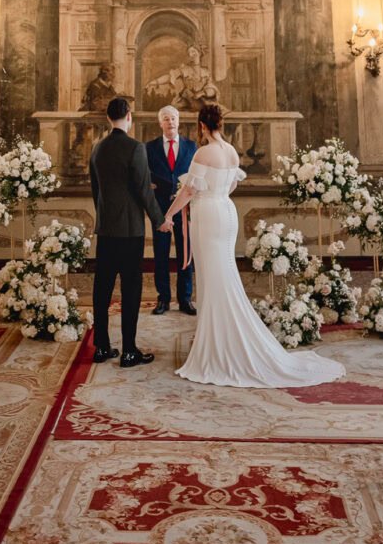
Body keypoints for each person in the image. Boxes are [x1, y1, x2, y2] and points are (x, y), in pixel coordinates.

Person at [160, 103, 346, 389]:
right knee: (222, 273)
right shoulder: (231, 151)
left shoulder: (203, 152)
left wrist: (170, 213)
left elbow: (189, 190)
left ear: (201, 125)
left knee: (212, 277)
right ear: (219, 124)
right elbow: (231, 185)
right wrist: (214, 193)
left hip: (208, 215)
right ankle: (220, 336)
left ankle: (219, 343)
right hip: (226, 211)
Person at [89, 95, 165, 369]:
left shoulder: (97, 149)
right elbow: (144, 190)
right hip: (131, 231)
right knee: (131, 291)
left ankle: (101, 347)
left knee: (102, 290)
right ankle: (129, 351)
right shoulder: (136, 148)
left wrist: (106, 214)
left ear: (109, 118)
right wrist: (160, 220)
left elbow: (95, 190)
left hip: (106, 230)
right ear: (129, 116)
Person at [144, 105, 196, 316]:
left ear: (179, 121)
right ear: (160, 123)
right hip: (160, 209)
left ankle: (185, 299)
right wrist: (150, 185)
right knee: (161, 255)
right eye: (166, 119)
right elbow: (144, 175)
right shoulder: (149, 148)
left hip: (184, 209)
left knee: (185, 254)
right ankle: (163, 299)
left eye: (173, 118)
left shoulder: (191, 146)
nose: (170, 122)